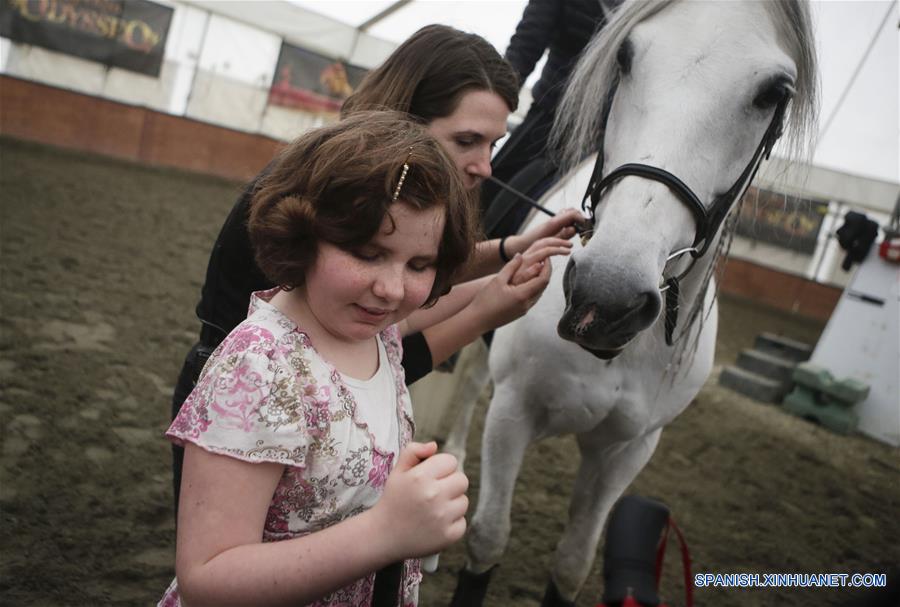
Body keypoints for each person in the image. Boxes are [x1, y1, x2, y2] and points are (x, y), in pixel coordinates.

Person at [169, 23, 584, 512]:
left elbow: (397, 291)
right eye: (467, 140)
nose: (485, 167)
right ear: (405, 121)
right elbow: (370, 343)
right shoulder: (322, 196)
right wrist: (484, 309)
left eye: (492, 144)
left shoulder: (383, 218)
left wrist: (512, 250)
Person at [159, 111, 558, 607]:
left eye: (420, 264)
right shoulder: (260, 368)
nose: (392, 289)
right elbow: (207, 579)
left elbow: (423, 310)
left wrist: (497, 290)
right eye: (368, 254)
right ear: (303, 234)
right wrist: (386, 532)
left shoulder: (373, 333)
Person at [480, 0, 611, 239]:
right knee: (487, 199)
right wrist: (490, 107)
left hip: (615, 131)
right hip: (550, 119)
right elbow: (525, 46)